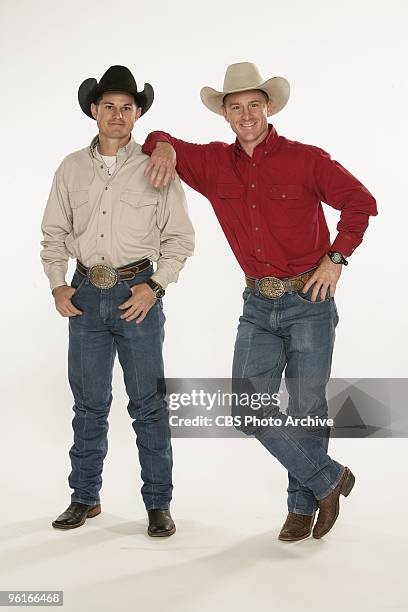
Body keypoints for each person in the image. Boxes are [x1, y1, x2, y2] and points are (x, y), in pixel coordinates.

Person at [142, 62, 377, 541]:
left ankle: (300, 508)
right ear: (224, 114)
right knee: (248, 410)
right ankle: (328, 478)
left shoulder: (307, 159)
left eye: (254, 104)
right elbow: (156, 136)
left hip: (310, 297)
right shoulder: (210, 163)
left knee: (307, 407)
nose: (246, 114)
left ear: (268, 108)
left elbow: (361, 202)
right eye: (235, 107)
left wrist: (336, 258)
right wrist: (162, 144)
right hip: (257, 304)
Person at [40, 65, 194, 536]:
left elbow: (180, 239)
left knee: (148, 405)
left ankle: (158, 504)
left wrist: (156, 286)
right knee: (88, 405)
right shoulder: (70, 167)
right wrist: (57, 283)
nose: (118, 114)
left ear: (138, 113)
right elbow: (53, 234)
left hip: (137, 297)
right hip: (85, 297)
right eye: (109, 106)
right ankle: (84, 498)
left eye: (127, 107)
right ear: (94, 111)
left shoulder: (157, 166)